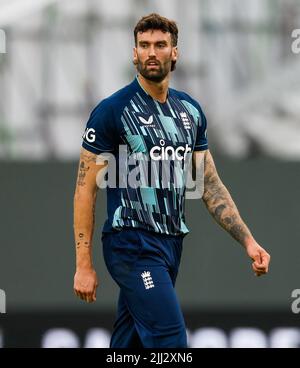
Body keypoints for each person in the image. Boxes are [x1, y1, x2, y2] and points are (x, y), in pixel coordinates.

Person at [73, 13, 271, 348]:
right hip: (131, 243)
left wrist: (249, 242)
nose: (151, 52)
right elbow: (84, 190)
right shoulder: (113, 110)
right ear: (134, 53)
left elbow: (209, 185)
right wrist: (83, 265)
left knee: (129, 345)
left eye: (160, 45)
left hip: (170, 245)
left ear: (174, 53)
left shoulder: (190, 112)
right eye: (144, 45)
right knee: (170, 341)